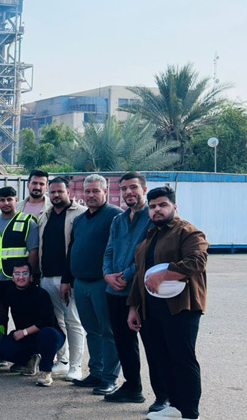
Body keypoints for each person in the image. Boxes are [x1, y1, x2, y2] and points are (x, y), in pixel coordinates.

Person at [127, 186, 208, 420]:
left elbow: (197, 261)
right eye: (152, 206)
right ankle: (175, 406)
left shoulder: (188, 231)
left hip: (181, 307)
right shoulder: (150, 237)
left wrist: (165, 273)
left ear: (174, 207)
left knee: (182, 359)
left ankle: (192, 417)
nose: (157, 210)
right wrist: (133, 307)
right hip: (151, 309)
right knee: (160, 359)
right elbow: (140, 276)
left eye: (162, 205)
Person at [103, 172, 159, 404]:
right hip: (114, 291)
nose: (128, 192)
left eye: (133, 187)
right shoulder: (118, 220)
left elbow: (148, 254)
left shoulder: (152, 217)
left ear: (144, 189)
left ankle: (163, 396)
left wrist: (125, 275)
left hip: (140, 291)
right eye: (124, 188)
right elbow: (109, 250)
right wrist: (107, 275)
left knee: (152, 344)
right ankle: (132, 386)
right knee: (123, 342)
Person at [63, 174, 121, 395]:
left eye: (96, 191)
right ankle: (96, 372)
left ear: (105, 191)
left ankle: (109, 378)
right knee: (92, 331)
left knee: (108, 331)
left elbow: (119, 249)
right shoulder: (79, 220)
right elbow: (72, 250)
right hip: (81, 283)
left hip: (102, 283)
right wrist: (68, 279)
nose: (91, 195)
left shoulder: (115, 216)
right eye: (87, 191)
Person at [37, 177, 87, 380]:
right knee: (57, 322)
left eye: (60, 191)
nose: (56, 195)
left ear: (69, 192)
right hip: (47, 277)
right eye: (53, 192)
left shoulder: (80, 214)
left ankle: (76, 367)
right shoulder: (45, 215)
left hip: (68, 278)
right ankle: (63, 361)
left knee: (73, 321)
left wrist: (68, 278)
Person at [0, 263, 65, 387]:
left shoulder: (41, 294)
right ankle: (30, 359)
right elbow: (0, 313)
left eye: (25, 273)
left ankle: (45, 372)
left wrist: (24, 332)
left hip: (50, 336)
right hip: (27, 337)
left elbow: (47, 321)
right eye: (17, 274)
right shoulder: (10, 293)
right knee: (0, 350)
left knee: (48, 333)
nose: (21, 277)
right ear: (12, 277)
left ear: (31, 277)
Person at [0, 186, 39, 298]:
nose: (6, 203)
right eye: (2, 200)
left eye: (9, 199)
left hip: (18, 279)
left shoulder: (28, 222)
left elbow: (33, 252)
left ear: (16, 200)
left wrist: (30, 275)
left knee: (19, 309)